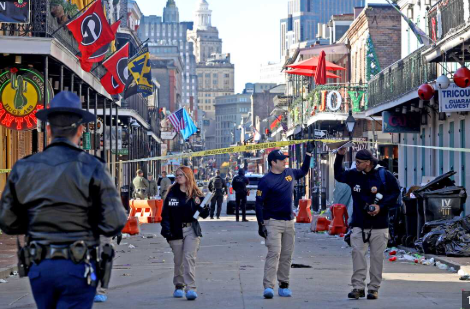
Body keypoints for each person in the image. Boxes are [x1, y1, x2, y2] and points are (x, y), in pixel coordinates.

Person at [0, 91, 127, 309]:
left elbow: (7, 222)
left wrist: (35, 219)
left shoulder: (24, 167)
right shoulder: (92, 166)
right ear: (80, 130)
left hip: (41, 265)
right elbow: (115, 221)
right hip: (77, 263)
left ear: (48, 129)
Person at [334, 148, 400, 300]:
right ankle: (358, 287)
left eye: (359, 162)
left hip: (379, 225)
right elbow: (338, 175)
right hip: (359, 223)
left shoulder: (384, 175)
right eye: (355, 161)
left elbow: (395, 193)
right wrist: (340, 156)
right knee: (357, 254)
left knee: (377, 258)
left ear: (368, 162)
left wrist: (380, 206)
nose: (356, 164)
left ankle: (373, 288)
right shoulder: (353, 175)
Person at [255, 145, 312, 299]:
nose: (284, 162)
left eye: (284, 160)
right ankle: (268, 286)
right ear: (273, 163)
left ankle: (284, 285)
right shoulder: (266, 181)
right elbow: (259, 203)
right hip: (272, 222)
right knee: (274, 253)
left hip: (289, 222)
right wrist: (261, 225)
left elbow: (304, 171)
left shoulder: (290, 173)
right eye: (281, 160)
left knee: (286, 255)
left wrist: (308, 154)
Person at [160, 166, 209, 301]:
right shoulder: (172, 193)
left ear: (188, 176)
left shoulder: (196, 194)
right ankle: (179, 285)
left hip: (191, 230)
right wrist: (167, 232)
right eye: (176, 175)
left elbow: (204, 214)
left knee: (189, 258)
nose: (178, 177)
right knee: (179, 260)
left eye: (181, 175)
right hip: (175, 230)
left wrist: (202, 206)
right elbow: (165, 215)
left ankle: (191, 288)